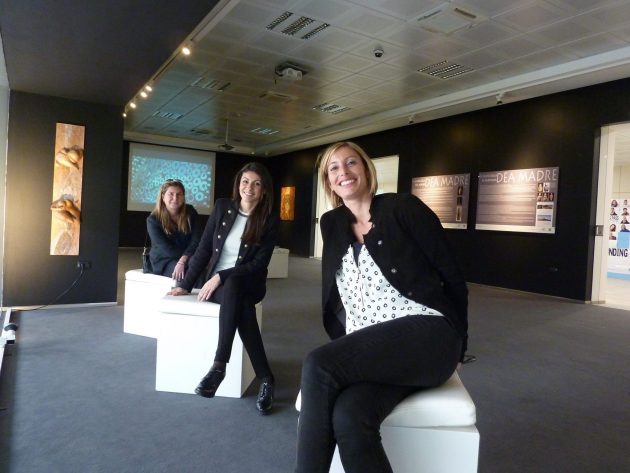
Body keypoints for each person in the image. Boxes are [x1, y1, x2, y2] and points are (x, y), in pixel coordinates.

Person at [295, 142, 468, 473]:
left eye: (351, 163)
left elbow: (453, 277)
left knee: (319, 364)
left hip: (428, 334)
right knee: (349, 416)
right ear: (328, 181)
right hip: (378, 347)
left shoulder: (403, 208)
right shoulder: (331, 223)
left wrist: (461, 343)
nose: (344, 172)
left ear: (366, 169)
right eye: (334, 168)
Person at [168, 162, 278, 414]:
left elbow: (259, 264)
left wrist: (221, 276)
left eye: (257, 183)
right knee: (242, 308)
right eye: (245, 182)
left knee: (235, 284)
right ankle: (266, 378)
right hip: (220, 287)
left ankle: (219, 366)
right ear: (238, 184)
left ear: (264, 190)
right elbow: (204, 248)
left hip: (249, 282)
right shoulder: (222, 207)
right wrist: (185, 284)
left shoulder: (269, 218)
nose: (249, 188)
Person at [147, 179, 202, 281]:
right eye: (171, 194)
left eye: (179, 194)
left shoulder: (190, 212)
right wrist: (186, 259)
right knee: (190, 272)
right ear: (163, 197)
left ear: (183, 197)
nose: (175, 198)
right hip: (164, 260)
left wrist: (184, 259)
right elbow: (167, 250)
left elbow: (196, 240)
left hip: (187, 257)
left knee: (201, 268)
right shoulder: (153, 220)